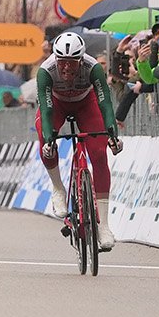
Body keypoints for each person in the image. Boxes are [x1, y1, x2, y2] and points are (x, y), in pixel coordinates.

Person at [33, 32, 122, 248]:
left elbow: (105, 104)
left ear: (81, 60)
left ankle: (104, 226)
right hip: (56, 103)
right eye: (62, 62)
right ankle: (58, 187)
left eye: (72, 63)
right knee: (44, 137)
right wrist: (49, 139)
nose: (66, 68)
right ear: (56, 58)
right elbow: (46, 110)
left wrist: (112, 134)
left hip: (86, 103)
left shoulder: (93, 68)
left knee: (99, 154)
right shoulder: (46, 71)